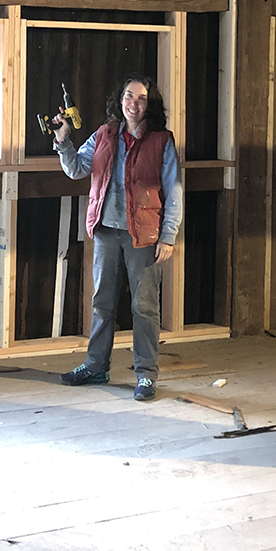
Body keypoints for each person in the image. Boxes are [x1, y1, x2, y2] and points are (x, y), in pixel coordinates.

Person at [52, 75, 182, 402]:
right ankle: (96, 366)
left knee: (145, 306)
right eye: (128, 96)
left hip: (145, 235)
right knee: (102, 303)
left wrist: (168, 236)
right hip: (107, 231)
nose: (133, 103)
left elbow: (174, 189)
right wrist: (63, 141)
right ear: (120, 100)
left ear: (149, 104)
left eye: (141, 98)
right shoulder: (104, 134)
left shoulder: (162, 140)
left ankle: (146, 374)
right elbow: (76, 169)